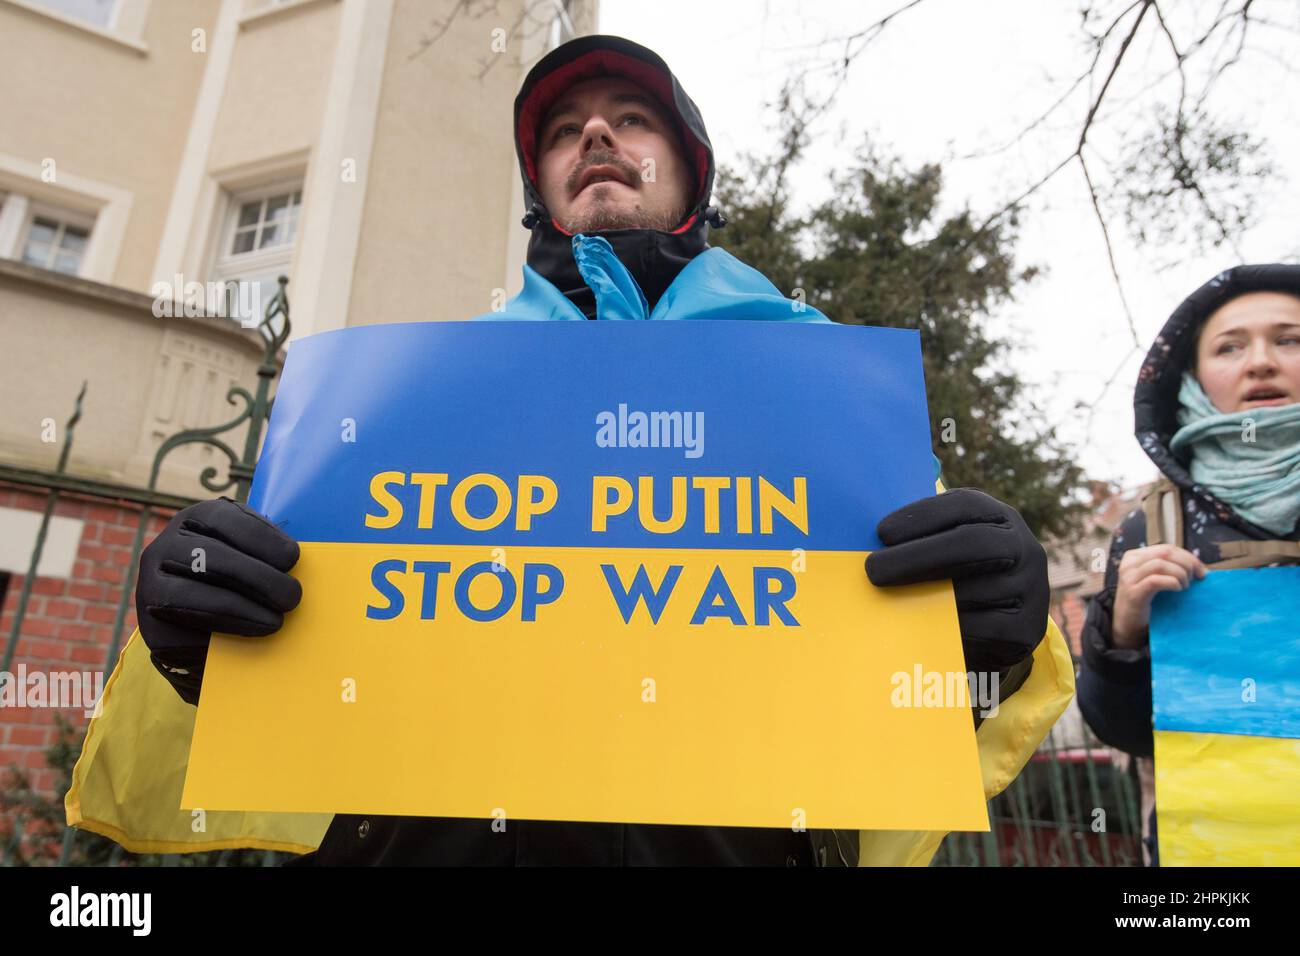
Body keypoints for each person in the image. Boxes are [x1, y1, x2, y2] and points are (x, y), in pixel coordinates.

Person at [130, 35, 1072, 866]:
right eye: (561, 131)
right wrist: (189, 655)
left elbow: (919, 725)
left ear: (690, 173)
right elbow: (285, 728)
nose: (593, 137)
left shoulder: (820, 397)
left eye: (631, 118)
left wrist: (997, 651)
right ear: (540, 188)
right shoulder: (413, 402)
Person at [1077, 264, 1300, 866]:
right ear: (1194, 378)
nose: (1260, 362)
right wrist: (1121, 630)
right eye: (1230, 346)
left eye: (1290, 339)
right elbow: (1123, 732)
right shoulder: (1153, 527)